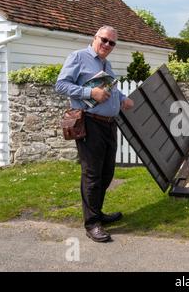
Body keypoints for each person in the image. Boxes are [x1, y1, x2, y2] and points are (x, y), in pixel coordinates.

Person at [55, 25, 134, 242]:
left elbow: (111, 90)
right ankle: (92, 224)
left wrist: (123, 98)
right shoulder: (78, 57)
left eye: (112, 43)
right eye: (104, 40)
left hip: (109, 124)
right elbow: (61, 85)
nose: (107, 45)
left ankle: (97, 214)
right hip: (89, 123)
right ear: (95, 37)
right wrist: (90, 92)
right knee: (92, 174)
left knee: (106, 172)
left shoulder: (106, 64)